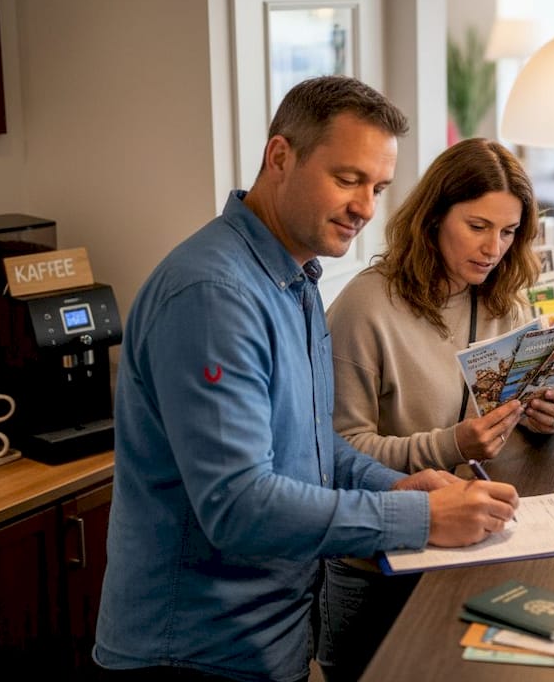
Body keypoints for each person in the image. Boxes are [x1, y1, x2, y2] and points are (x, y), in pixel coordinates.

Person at [94, 77, 519, 682]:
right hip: (192, 652)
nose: (366, 207)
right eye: (347, 180)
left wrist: (399, 485)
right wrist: (421, 520)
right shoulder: (215, 295)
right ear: (280, 158)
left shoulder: (295, 279)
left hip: (274, 638)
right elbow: (239, 506)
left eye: (377, 188)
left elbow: (315, 452)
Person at [319, 137, 554, 681]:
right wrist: (451, 444)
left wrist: (538, 418)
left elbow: (500, 411)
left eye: (508, 232)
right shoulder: (365, 308)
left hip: (472, 547)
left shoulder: (507, 297)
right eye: (478, 226)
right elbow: (335, 450)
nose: (494, 249)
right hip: (379, 566)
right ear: (433, 217)